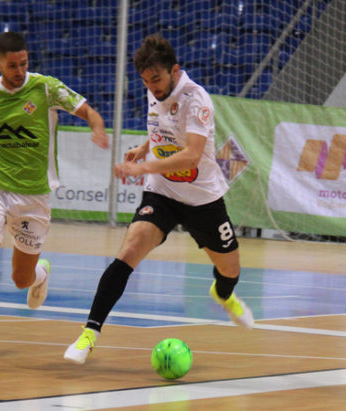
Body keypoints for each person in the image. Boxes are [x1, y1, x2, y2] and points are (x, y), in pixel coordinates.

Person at [63, 34, 254, 365]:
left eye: (157, 79)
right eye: (146, 81)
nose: (152, 87)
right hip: (162, 192)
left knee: (230, 269)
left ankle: (222, 294)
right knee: (130, 250)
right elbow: (162, 132)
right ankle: (89, 333)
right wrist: (143, 147)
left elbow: (192, 156)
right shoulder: (155, 92)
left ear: (175, 71)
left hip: (202, 199)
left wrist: (143, 165)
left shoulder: (196, 99)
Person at [0, 31, 109, 357]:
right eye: (12, 65)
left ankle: (41, 273)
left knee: (20, 278)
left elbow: (87, 110)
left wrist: (97, 128)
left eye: (23, 63)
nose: (19, 70)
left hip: (34, 198)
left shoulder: (45, 87)